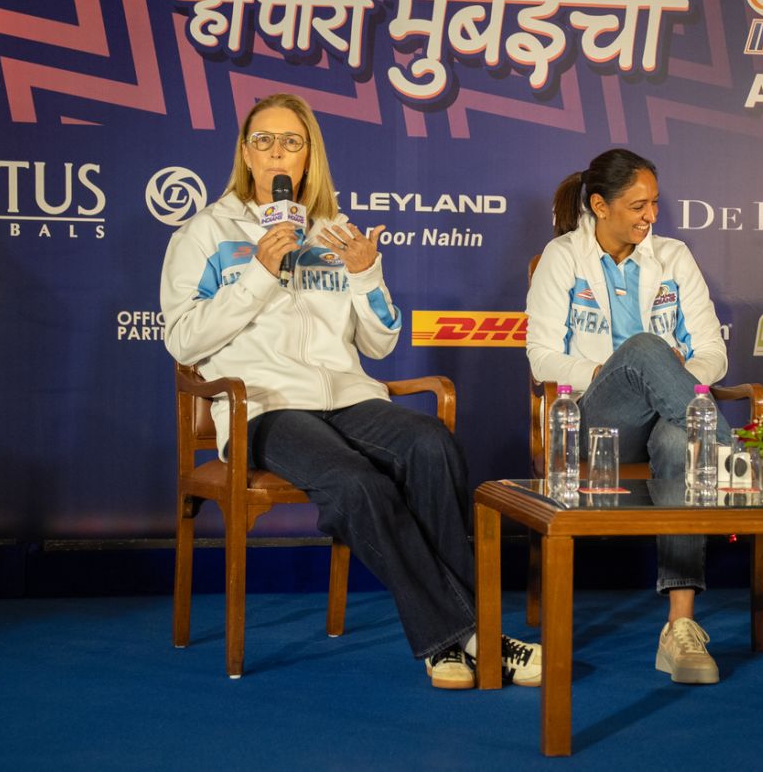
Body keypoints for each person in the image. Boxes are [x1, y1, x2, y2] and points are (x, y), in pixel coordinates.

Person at [159, 93, 539, 690]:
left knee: (431, 444)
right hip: (265, 406)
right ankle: (470, 634)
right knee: (357, 483)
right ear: (245, 154)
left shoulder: (334, 232)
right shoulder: (206, 233)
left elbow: (380, 344)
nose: (277, 152)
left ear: (309, 157)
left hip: (348, 395)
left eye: (292, 141)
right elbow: (182, 341)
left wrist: (367, 274)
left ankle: (461, 632)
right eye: (264, 140)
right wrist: (259, 272)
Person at [525, 148, 731, 684]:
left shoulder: (673, 256)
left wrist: (675, 372)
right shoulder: (561, 258)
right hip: (596, 422)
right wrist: (628, 368)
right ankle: (741, 469)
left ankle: (680, 630)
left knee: (675, 442)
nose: (651, 217)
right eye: (638, 205)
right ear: (599, 205)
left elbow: (712, 352)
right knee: (643, 349)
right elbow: (542, 357)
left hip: (667, 415)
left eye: (655, 204)